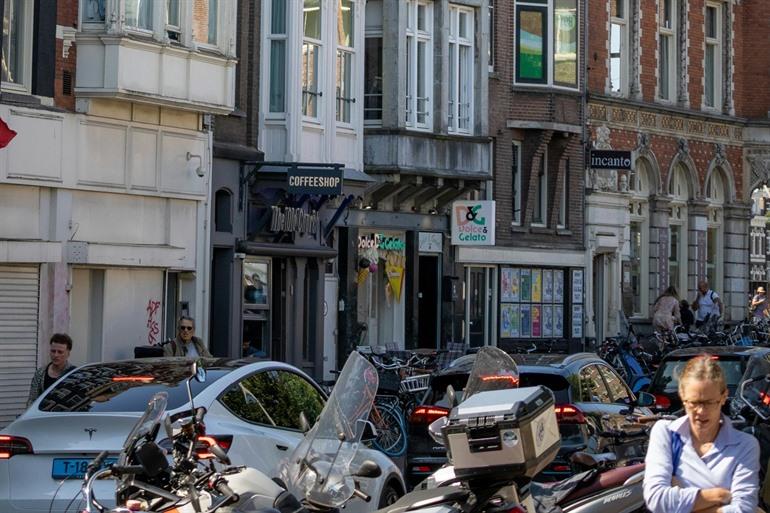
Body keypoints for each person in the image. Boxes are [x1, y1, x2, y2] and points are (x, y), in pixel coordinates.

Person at [643, 355, 759, 513]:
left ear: (723, 397)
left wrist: (682, 500)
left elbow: (743, 508)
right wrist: (719, 496)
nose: (701, 412)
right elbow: (656, 499)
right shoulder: (666, 434)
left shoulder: (745, 445)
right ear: (683, 396)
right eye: (694, 403)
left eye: (709, 402)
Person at [27, 333, 76, 406]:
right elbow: (32, 399)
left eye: (60, 352)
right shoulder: (40, 373)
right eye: (53, 351)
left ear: (68, 353)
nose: (56, 355)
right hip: (42, 415)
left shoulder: (74, 374)